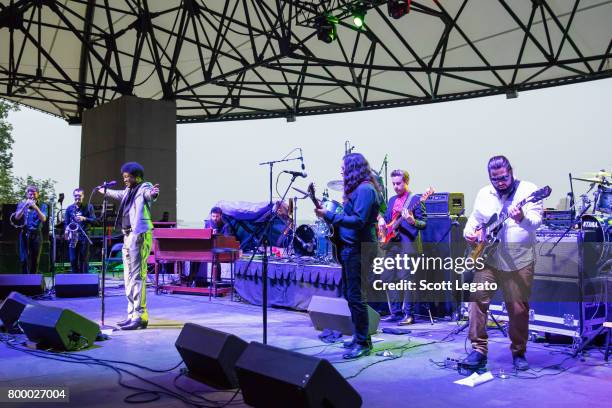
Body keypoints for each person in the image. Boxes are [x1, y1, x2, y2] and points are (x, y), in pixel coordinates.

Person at [462, 155, 543, 371]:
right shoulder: (484, 193)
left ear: (511, 172)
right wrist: (469, 232)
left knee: (517, 308)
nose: (500, 183)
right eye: (495, 179)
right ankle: (478, 349)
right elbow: (475, 218)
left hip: (519, 260)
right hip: (489, 257)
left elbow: (536, 222)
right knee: (476, 301)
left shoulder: (528, 190)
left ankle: (519, 352)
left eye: (504, 178)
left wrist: (521, 218)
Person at [315, 153, 382, 359]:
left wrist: (330, 215)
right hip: (350, 248)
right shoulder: (360, 189)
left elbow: (359, 221)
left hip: (359, 250)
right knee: (351, 296)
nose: (341, 171)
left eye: (343, 167)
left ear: (353, 168)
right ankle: (359, 337)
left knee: (356, 297)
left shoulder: (365, 189)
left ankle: (363, 342)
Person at [98, 162, 159, 331]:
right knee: (128, 277)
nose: (124, 179)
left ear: (137, 176)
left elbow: (150, 194)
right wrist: (105, 191)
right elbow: (118, 194)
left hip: (138, 234)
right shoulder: (128, 191)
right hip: (127, 235)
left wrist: (154, 193)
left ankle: (141, 316)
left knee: (137, 276)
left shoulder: (143, 187)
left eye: (127, 176)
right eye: (123, 176)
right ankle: (132, 314)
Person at [378, 169, 427, 325]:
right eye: (393, 183)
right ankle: (396, 312)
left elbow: (423, 223)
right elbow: (387, 221)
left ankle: (409, 314)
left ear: (406, 181)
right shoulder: (391, 200)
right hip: (392, 244)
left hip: (408, 244)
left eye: (398, 183)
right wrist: (381, 223)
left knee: (407, 280)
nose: (395, 186)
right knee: (386, 277)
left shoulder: (416, 200)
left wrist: (412, 221)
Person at [14, 185, 48, 274]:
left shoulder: (43, 205)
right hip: (24, 234)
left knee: (35, 260)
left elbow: (43, 219)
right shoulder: (22, 204)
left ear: (38, 194)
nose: (32, 196)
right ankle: (25, 281)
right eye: (30, 194)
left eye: (34, 194)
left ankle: (33, 282)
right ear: (27, 195)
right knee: (24, 260)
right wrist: (25, 205)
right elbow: (17, 217)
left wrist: (36, 208)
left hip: (36, 235)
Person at [64, 188, 96, 274]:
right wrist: (66, 231)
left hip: (84, 236)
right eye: (75, 196)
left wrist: (84, 218)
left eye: (79, 196)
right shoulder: (69, 208)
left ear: (83, 196)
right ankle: (75, 279)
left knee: (84, 260)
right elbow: (66, 223)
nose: (77, 198)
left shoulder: (89, 207)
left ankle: (84, 280)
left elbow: (94, 220)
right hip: (73, 237)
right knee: (73, 259)